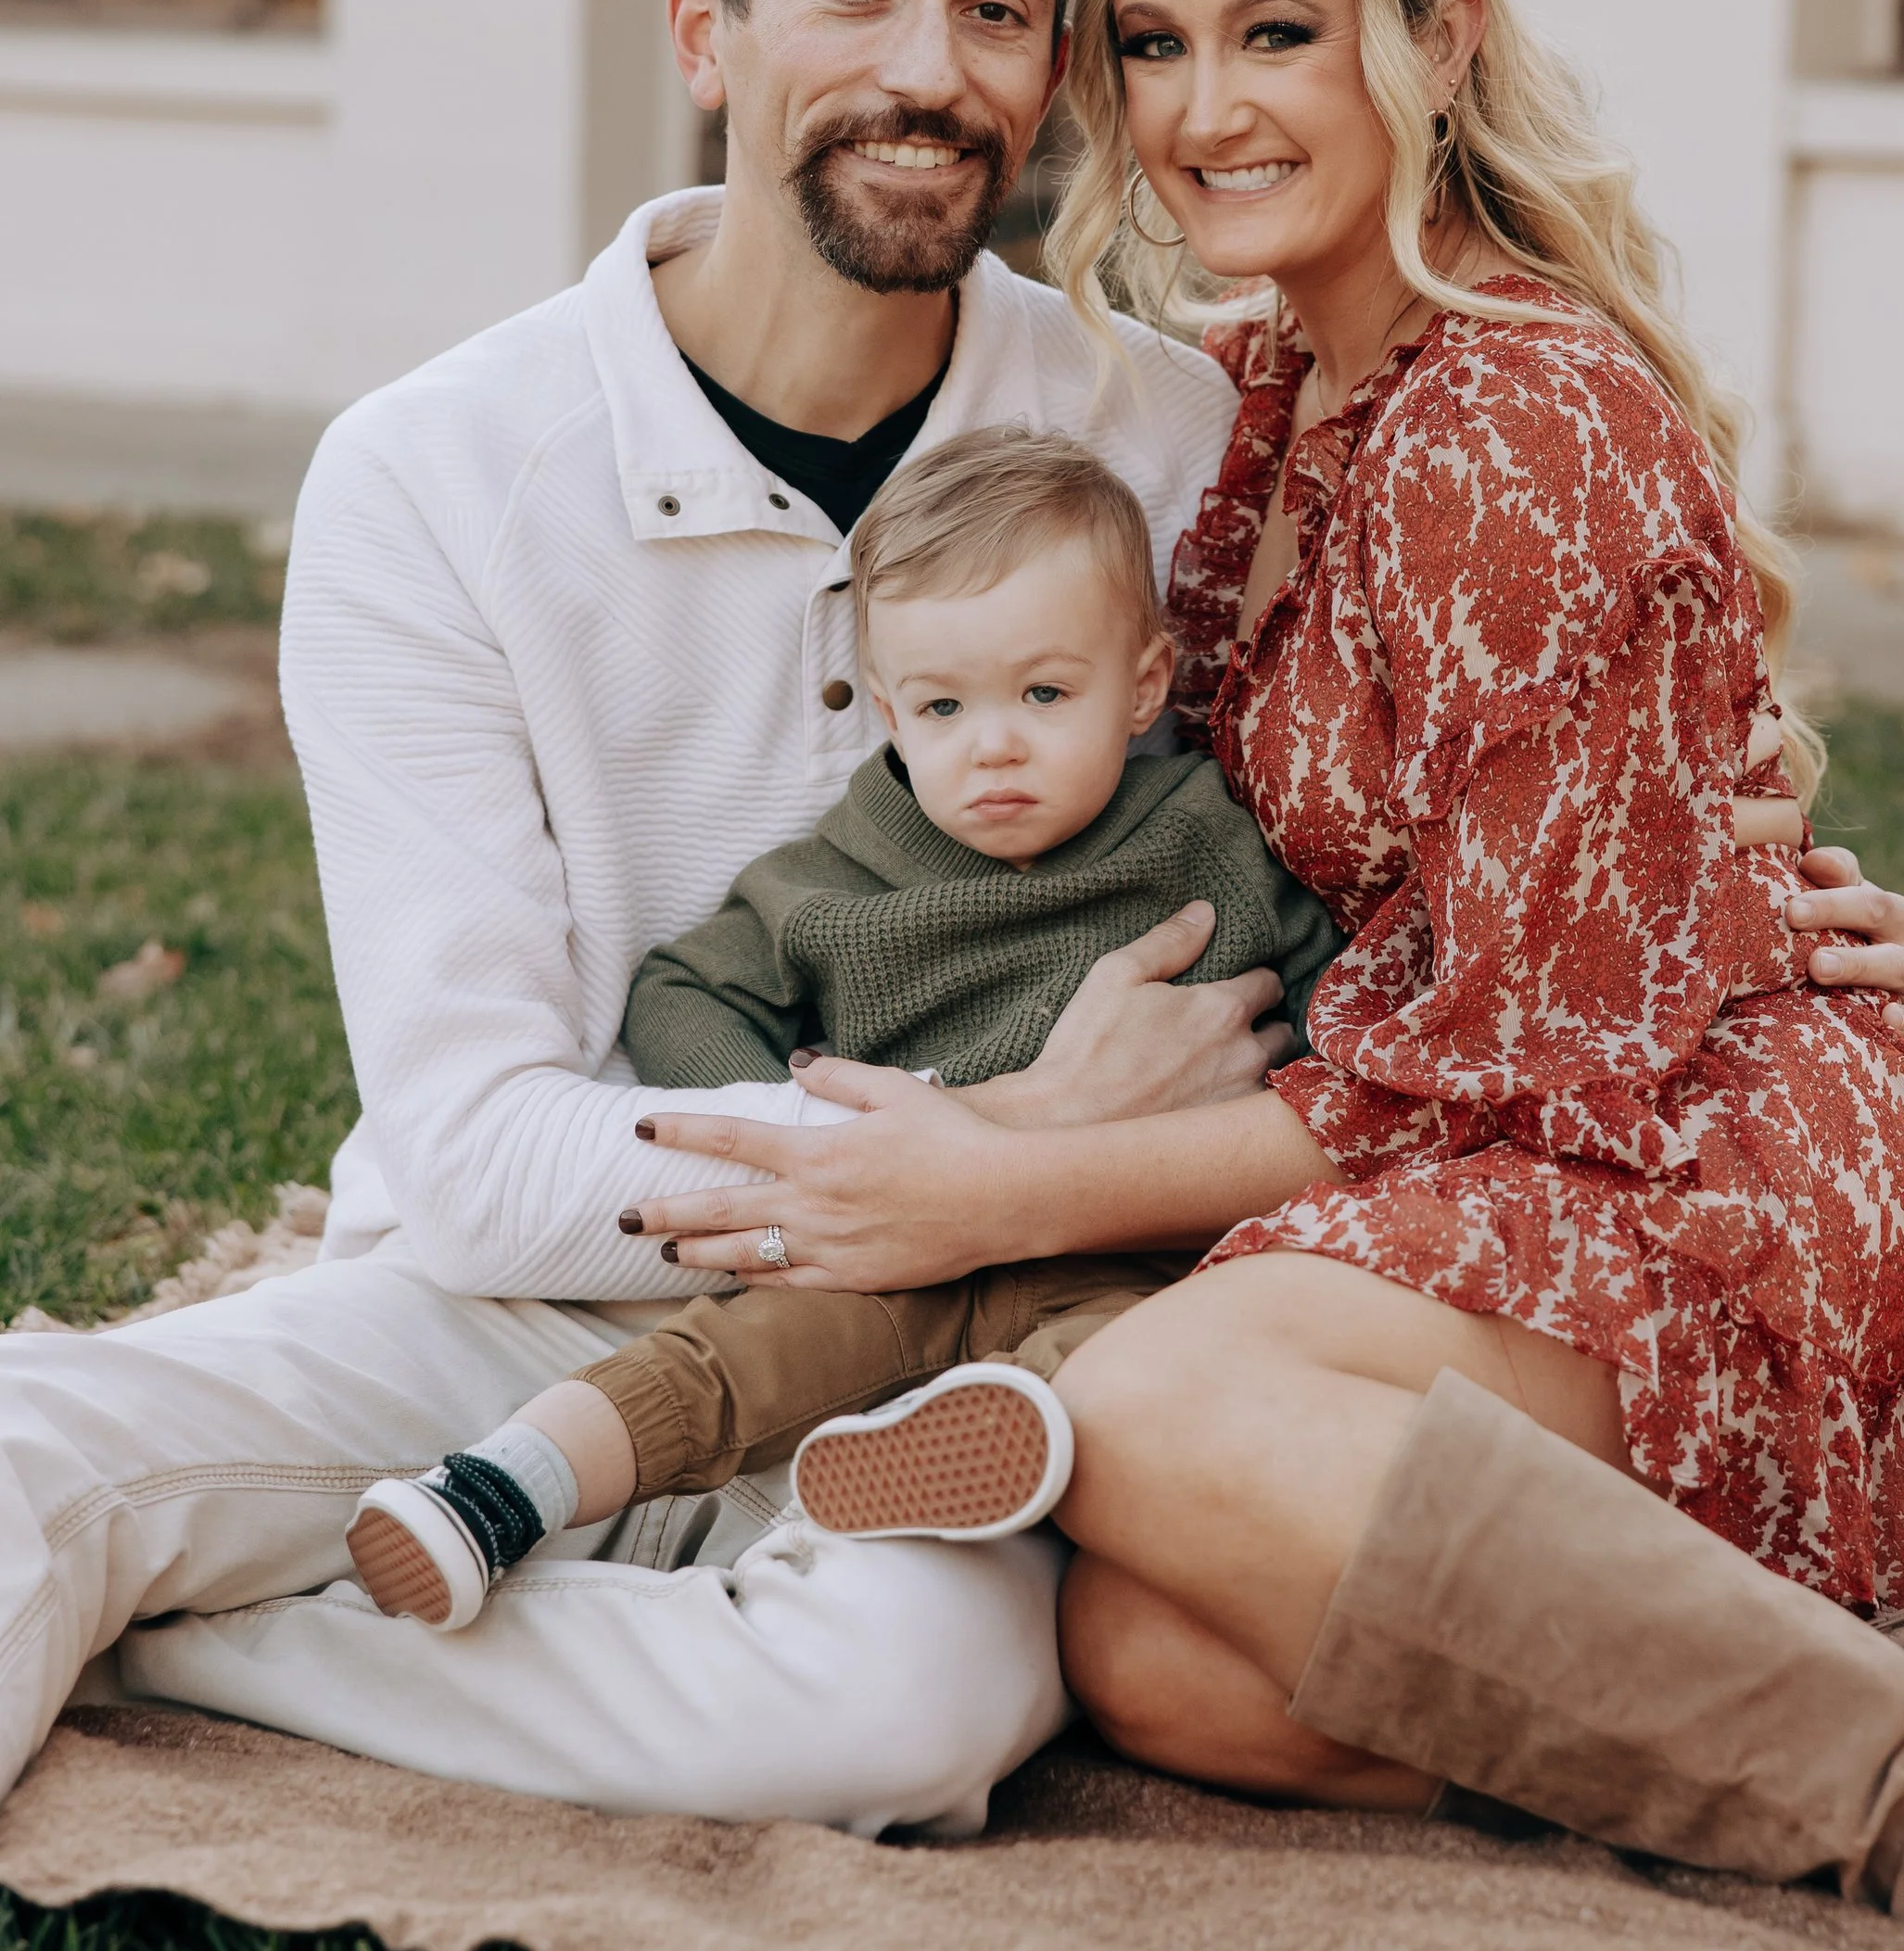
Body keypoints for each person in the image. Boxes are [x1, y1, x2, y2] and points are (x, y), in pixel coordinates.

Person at [56, 0, 1904, 1841]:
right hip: (528, 1279)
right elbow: (483, 1154)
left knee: (904, 1712)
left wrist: (1764, 953)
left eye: (999, 12)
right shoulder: (433, 472)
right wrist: (998, 1141)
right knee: (53, 1450)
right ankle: (280, 1538)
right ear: (710, 29)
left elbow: (1445, 819)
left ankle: (214, 1640)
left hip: (999, 1357)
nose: (922, 69)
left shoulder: (1166, 437)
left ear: (1049, 85)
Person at [615, 0, 1904, 1951]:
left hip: (1693, 1170)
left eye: (1275, 36)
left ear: (1438, 44)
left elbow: (1508, 1046)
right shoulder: (1249, 398)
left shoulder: (1515, 417)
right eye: (1148, 46)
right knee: (1164, 1663)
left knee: (1158, 1405)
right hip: (1484, 1139)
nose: (1203, 111)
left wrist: (998, 1184)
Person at [337, 426, 1337, 1631]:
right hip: (888, 1246)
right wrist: (808, 1133)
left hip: (1125, 1253)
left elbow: (1341, 1023)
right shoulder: (842, 876)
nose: (995, 740)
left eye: (1045, 692)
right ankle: (499, 1486)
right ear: (891, 713)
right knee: (734, 1355)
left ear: (1144, 682)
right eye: (944, 704)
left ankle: (930, 1465)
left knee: (1122, 1380)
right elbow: (683, 991)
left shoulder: (1208, 840)